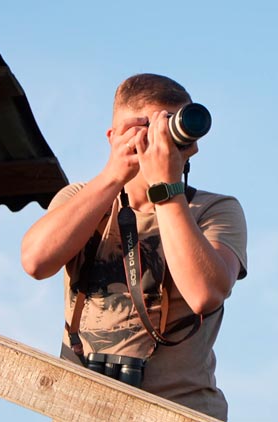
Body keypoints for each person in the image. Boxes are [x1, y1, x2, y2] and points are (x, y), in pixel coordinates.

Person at [21, 73, 247, 420]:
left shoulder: (215, 210)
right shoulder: (80, 200)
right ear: (113, 136)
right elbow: (36, 261)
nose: (162, 143)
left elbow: (205, 293)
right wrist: (113, 175)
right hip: (82, 410)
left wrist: (166, 189)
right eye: (149, 131)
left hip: (180, 413)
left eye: (171, 131)